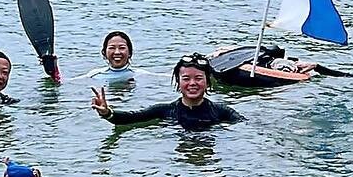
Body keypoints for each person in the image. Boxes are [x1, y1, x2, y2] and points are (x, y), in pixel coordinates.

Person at [92, 53, 242, 131]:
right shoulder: (164, 111)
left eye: (198, 78)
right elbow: (129, 119)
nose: (192, 83)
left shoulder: (222, 112)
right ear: (178, 82)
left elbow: (245, 128)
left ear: (208, 82)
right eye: (186, 78)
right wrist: (107, 113)